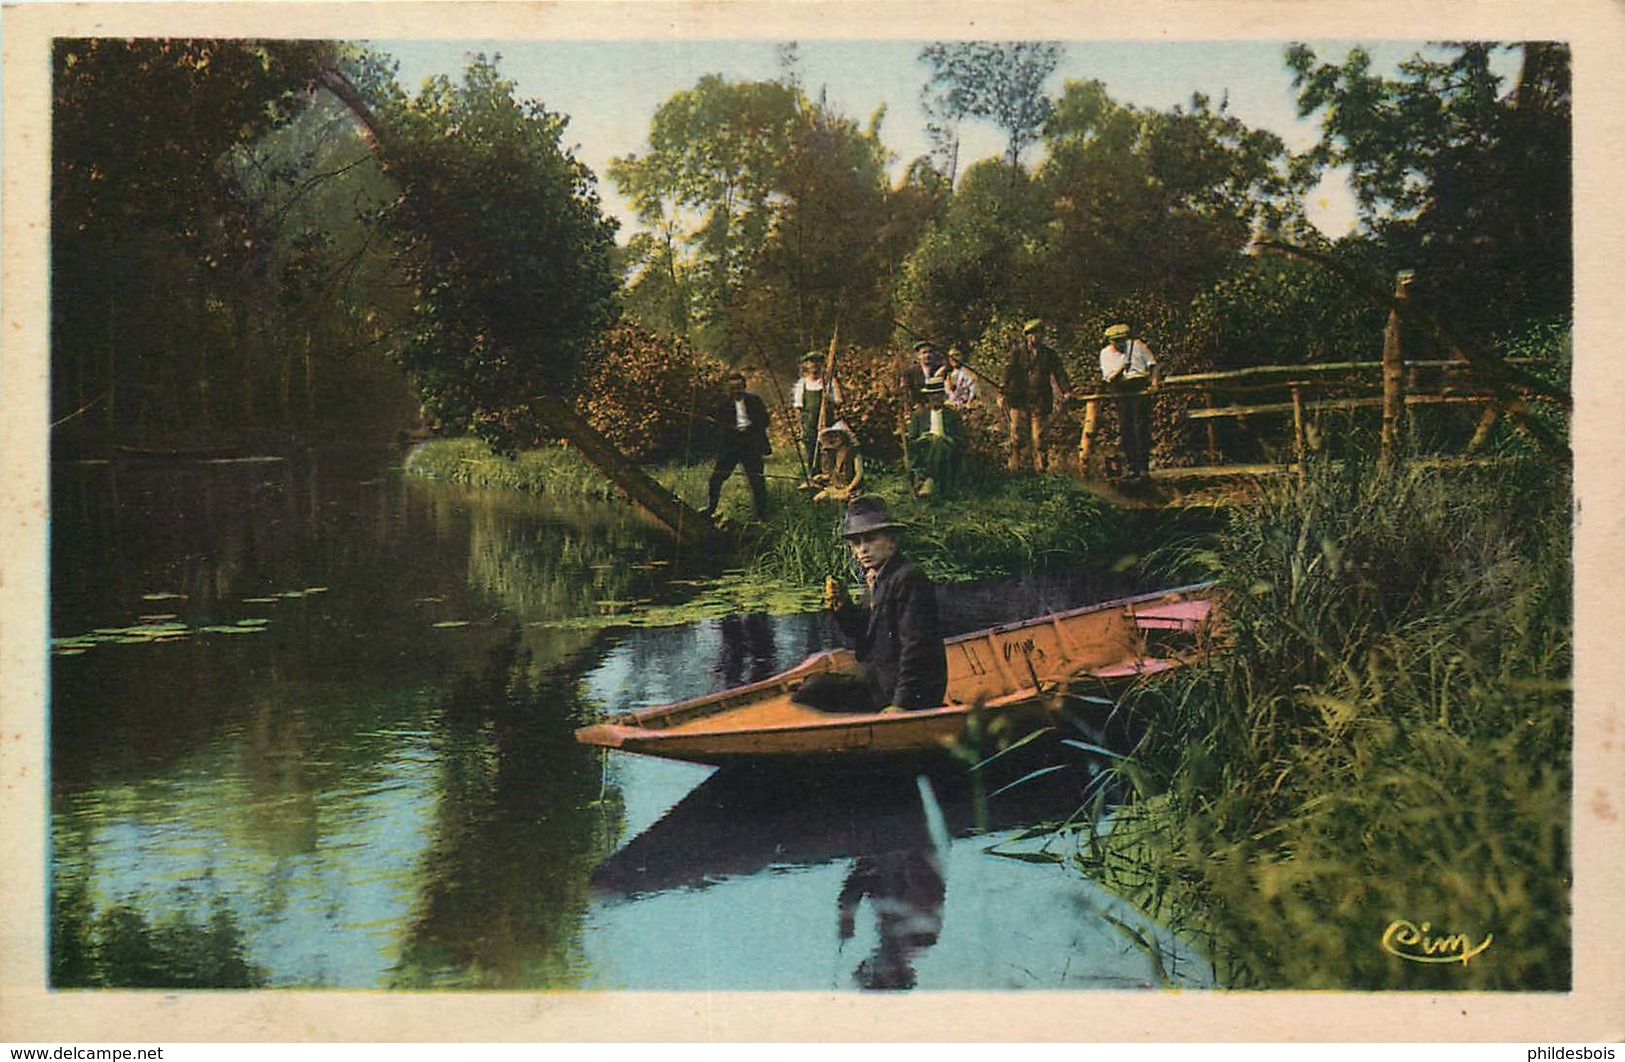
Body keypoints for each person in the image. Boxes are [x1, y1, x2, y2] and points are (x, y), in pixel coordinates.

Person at [792, 497, 948, 714]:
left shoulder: (909, 578)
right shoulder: (877, 577)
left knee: (814, 691)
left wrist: (901, 705)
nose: (862, 550)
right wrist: (843, 607)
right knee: (811, 687)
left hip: (912, 693)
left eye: (870, 539)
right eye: (856, 543)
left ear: (891, 541)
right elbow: (864, 636)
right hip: (880, 680)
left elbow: (917, 648)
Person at [998, 318, 1072, 473]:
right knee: (1017, 436)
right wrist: (1002, 391)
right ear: (1027, 336)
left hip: (1040, 400)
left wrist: (1067, 391)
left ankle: (1041, 470)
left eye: (1038, 334)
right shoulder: (1017, 353)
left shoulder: (1049, 355)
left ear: (1042, 336)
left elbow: (1059, 373)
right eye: (1031, 334)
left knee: (1039, 437)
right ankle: (1015, 469)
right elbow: (1008, 372)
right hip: (1018, 399)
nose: (1035, 337)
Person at [700, 372, 772, 519]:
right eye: (733, 388)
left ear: (744, 387)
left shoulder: (755, 401)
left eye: (739, 387)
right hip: (731, 446)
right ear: (728, 389)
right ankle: (711, 508)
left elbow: (765, 420)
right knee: (716, 479)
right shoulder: (723, 404)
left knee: (757, 480)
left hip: (751, 444)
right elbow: (717, 424)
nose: (736, 391)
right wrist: (727, 429)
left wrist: (753, 424)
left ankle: (762, 515)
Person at [1099, 323, 1160, 481]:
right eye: (1116, 341)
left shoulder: (1137, 346)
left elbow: (1153, 365)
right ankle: (1132, 467)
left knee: (1141, 427)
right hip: (1120, 389)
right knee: (1126, 428)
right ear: (1110, 341)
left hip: (1139, 387)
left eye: (1122, 340)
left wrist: (1154, 383)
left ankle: (1143, 468)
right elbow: (1109, 378)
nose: (1120, 344)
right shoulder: (1105, 354)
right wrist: (1121, 367)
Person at [790, 352, 842, 479]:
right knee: (811, 453)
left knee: (828, 453)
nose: (814, 365)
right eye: (811, 362)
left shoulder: (829, 382)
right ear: (806, 365)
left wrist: (828, 398)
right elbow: (798, 408)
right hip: (809, 425)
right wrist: (801, 426)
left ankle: (831, 478)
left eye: (817, 362)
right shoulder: (802, 384)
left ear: (822, 364)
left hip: (827, 424)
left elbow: (839, 401)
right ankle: (813, 478)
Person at [908, 381, 965, 498]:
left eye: (939, 394)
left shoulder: (952, 415)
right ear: (928, 397)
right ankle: (932, 479)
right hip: (925, 450)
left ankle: (929, 479)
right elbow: (911, 442)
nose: (936, 397)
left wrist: (948, 439)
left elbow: (961, 439)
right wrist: (921, 439)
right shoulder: (919, 415)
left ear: (943, 395)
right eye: (933, 395)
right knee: (934, 440)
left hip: (947, 448)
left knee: (939, 440)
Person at [811, 420, 865, 505]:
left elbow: (859, 473)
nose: (834, 439)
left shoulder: (853, 453)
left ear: (844, 437)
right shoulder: (833, 454)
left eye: (837, 436)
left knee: (823, 497)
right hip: (838, 487)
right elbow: (834, 473)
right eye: (832, 437)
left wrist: (848, 489)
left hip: (851, 489)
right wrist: (822, 477)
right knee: (814, 494)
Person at [900, 339, 947, 404]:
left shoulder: (940, 369)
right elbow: (906, 392)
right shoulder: (910, 372)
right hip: (918, 406)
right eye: (924, 352)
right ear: (919, 356)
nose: (927, 355)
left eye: (930, 352)